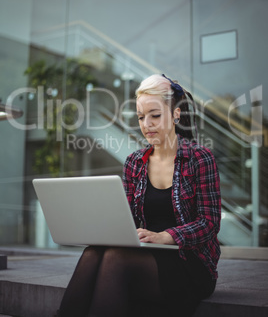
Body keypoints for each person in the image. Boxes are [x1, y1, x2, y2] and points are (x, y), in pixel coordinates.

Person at [57, 74, 221, 317]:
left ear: (176, 114)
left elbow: (210, 223)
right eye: (142, 117)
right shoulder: (135, 162)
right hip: (148, 253)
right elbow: (128, 219)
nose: (147, 124)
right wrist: (103, 227)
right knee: (93, 252)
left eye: (155, 115)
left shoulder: (199, 158)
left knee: (116, 259)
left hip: (190, 263)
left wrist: (167, 236)